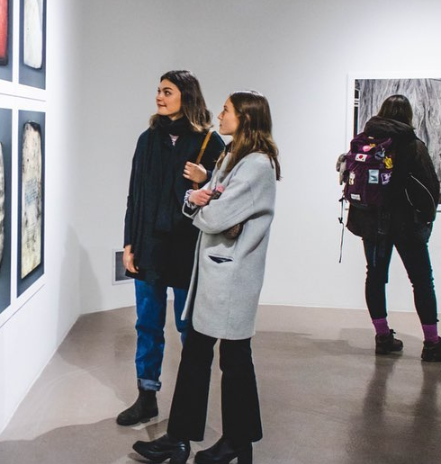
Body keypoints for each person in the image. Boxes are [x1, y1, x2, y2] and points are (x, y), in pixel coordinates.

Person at [132, 90, 281, 464]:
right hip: (217, 275)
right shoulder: (232, 157)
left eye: (227, 110)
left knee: (232, 360)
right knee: (203, 356)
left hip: (232, 279)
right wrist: (196, 200)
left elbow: (213, 216)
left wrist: (201, 204)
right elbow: (204, 201)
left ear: (245, 118)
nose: (220, 115)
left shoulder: (257, 166)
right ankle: (190, 440)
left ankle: (229, 442)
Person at [120, 70, 225, 426]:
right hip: (149, 247)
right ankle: (146, 396)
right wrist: (129, 244)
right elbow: (135, 196)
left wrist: (206, 178)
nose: (159, 97)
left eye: (167, 91)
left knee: (188, 328)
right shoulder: (147, 140)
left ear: (186, 96)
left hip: (188, 250)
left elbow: (227, 196)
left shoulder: (210, 142)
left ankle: (187, 404)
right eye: (159, 91)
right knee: (147, 324)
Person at [345, 94, 441, 363]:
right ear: (408, 115)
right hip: (405, 224)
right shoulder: (412, 144)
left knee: (375, 277)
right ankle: (432, 343)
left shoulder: (367, 140)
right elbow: (429, 185)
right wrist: (427, 217)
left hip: (372, 223)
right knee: (421, 280)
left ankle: (382, 337)